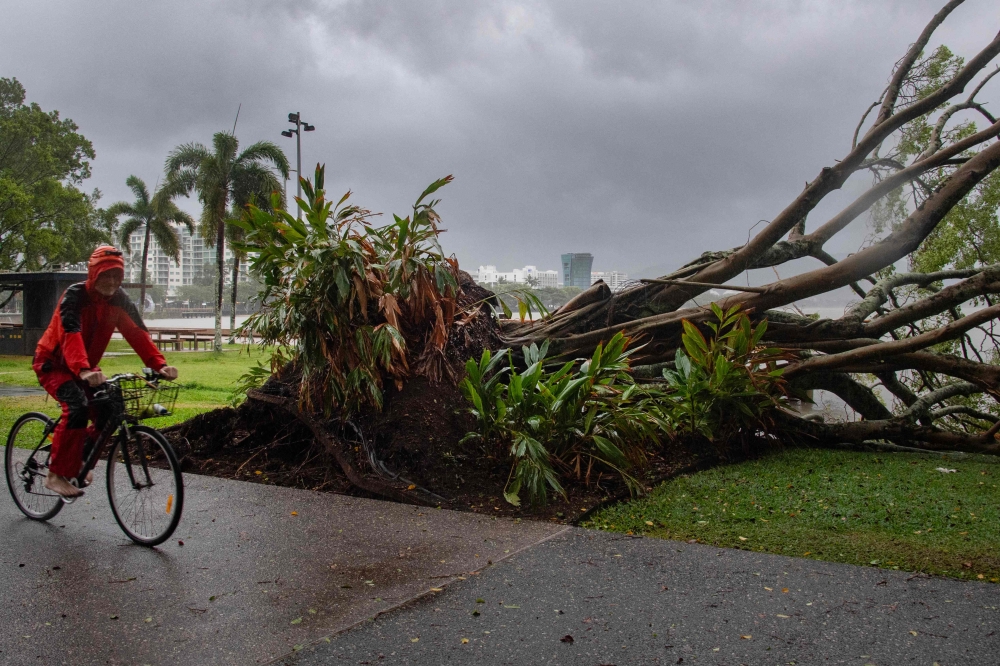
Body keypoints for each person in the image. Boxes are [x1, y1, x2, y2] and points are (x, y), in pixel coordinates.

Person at [33, 245, 179, 498]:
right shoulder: (74, 296)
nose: (111, 281)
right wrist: (83, 370)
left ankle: (81, 459)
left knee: (110, 410)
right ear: (93, 274)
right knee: (76, 407)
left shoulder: (119, 300)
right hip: (54, 364)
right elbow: (71, 333)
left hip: (86, 368)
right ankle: (54, 474)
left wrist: (159, 365)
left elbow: (137, 332)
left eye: (116, 276)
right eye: (106, 275)